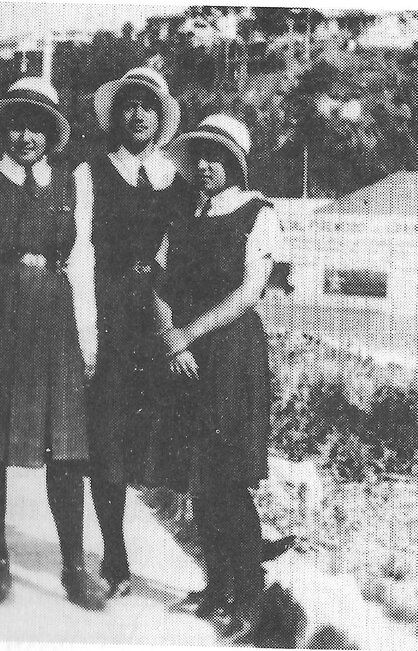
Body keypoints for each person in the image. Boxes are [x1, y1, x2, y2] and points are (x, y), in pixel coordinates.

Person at [0, 77, 106, 610]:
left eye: (38, 126)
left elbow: (81, 260)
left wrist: (88, 340)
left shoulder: (71, 182)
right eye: (17, 125)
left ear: (53, 133)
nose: (26, 136)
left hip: (53, 312)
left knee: (67, 447)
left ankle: (74, 566)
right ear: (3, 131)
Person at [154, 114, 285, 643]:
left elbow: (248, 293)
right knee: (198, 479)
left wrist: (189, 334)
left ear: (236, 163)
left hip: (231, 355)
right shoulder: (184, 217)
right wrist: (170, 339)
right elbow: (160, 284)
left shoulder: (260, 215)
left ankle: (248, 592)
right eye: (201, 157)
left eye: (220, 158)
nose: (208, 167)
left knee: (229, 479)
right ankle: (215, 585)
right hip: (185, 354)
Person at [75, 67, 192, 599]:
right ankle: (116, 558)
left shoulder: (178, 180)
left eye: (148, 105)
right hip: (109, 309)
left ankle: (227, 561)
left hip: (163, 313)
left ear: (161, 117)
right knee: (110, 437)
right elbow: (79, 252)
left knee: (176, 433)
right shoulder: (90, 172)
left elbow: (188, 250)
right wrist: (87, 333)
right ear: (115, 115)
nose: (138, 114)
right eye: (129, 105)